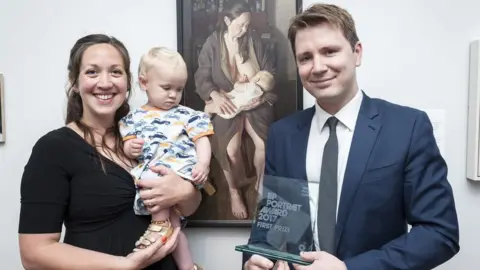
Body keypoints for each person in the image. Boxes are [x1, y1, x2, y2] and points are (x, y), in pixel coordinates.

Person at [244, 3, 460, 270]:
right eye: (305, 58)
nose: (318, 67)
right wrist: (254, 261)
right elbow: (271, 228)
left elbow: (440, 233)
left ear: (356, 53)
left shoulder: (408, 127)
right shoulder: (282, 135)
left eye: (329, 51)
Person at [18, 34, 202, 270]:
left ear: (129, 82)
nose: (105, 83)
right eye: (92, 72)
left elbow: (189, 206)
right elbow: (34, 254)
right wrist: (125, 265)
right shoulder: (53, 148)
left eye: (115, 72)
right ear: (75, 81)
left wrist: (185, 191)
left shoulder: (147, 135)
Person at [119, 46, 213, 270]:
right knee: (175, 227)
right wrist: (129, 148)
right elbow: (127, 145)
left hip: (180, 170)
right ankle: (188, 266)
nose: (173, 95)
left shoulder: (186, 115)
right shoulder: (134, 118)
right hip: (154, 170)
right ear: (144, 83)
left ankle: (158, 223)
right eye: (166, 88)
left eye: (179, 89)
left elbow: (202, 140)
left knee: (155, 180)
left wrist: (203, 163)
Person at [195, 0, 277, 219]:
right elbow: (202, 76)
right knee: (230, 149)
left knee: (263, 142)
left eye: (247, 25)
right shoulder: (213, 44)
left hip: (254, 101)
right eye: (240, 25)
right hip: (226, 99)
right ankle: (234, 189)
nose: (244, 29)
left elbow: (269, 71)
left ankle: (260, 185)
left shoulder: (253, 40)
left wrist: (258, 91)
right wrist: (214, 95)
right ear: (227, 20)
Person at [204, 70, 274, 119]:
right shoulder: (259, 95)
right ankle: (211, 111)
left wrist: (241, 82)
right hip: (232, 112)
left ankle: (204, 123)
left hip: (227, 105)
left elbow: (236, 86)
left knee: (207, 108)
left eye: (255, 75)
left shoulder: (251, 86)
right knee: (212, 105)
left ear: (257, 79)